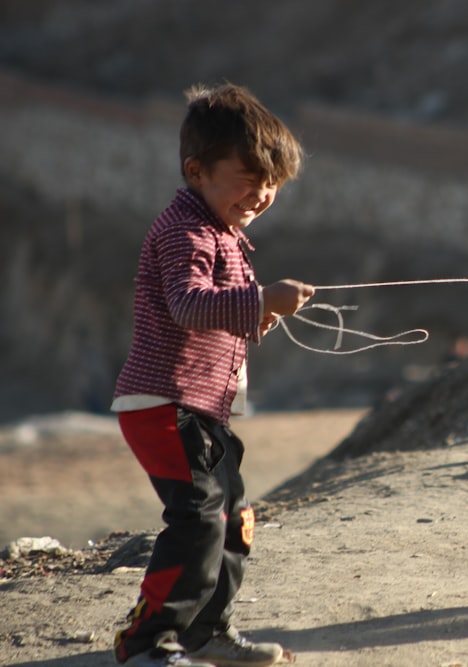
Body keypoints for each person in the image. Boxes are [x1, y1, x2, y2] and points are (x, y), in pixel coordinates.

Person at [110, 83, 316, 667]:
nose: (262, 194)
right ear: (197, 171)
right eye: (249, 177)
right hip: (162, 405)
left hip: (205, 409)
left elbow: (212, 317)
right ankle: (147, 642)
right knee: (198, 520)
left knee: (232, 521)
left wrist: (257, 316)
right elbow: (188, 304)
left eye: (272, 182)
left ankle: (206, 632)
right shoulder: (186, 230)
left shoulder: (225, 234)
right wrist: (260, 301)